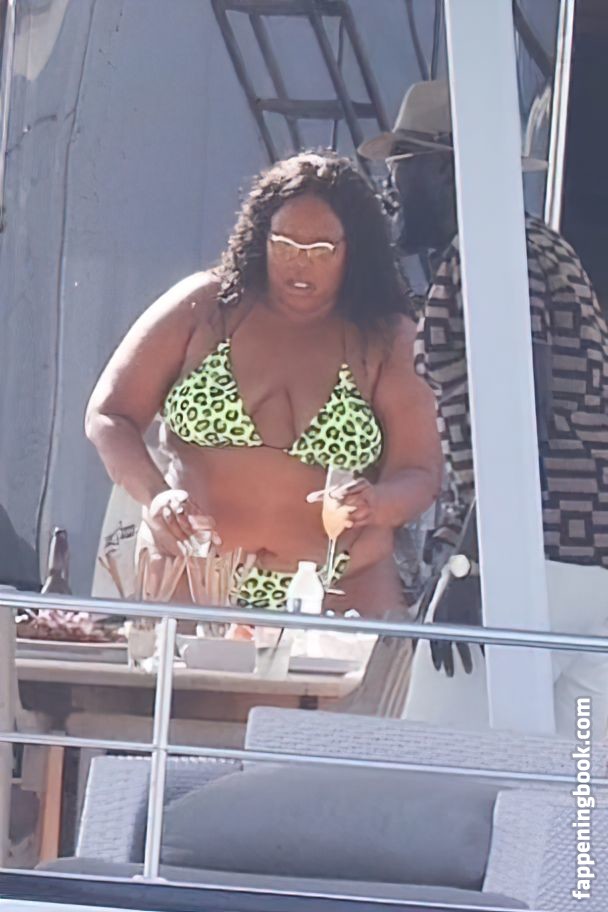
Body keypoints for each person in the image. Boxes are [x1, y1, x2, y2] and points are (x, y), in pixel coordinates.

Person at [85, 152, 442, 617]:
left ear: (354, 249)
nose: (300, 263)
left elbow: (420, 473)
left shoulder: (388, 339)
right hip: (194, 573)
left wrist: (376, 503)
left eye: (321, 250)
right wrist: (157, 497)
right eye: (285, 244)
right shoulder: (203, 308)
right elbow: (109, 415)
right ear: (260, 236)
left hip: (342, 582)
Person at [359, 81, 608, 734]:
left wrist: (470, 565)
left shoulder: (489, 253)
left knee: (432, 772)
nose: (389, 189)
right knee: (568, 790)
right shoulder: (545, 247)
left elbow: (521, 412)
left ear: (447, 168)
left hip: (525, 564)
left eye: (401, 166)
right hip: (589, 569)